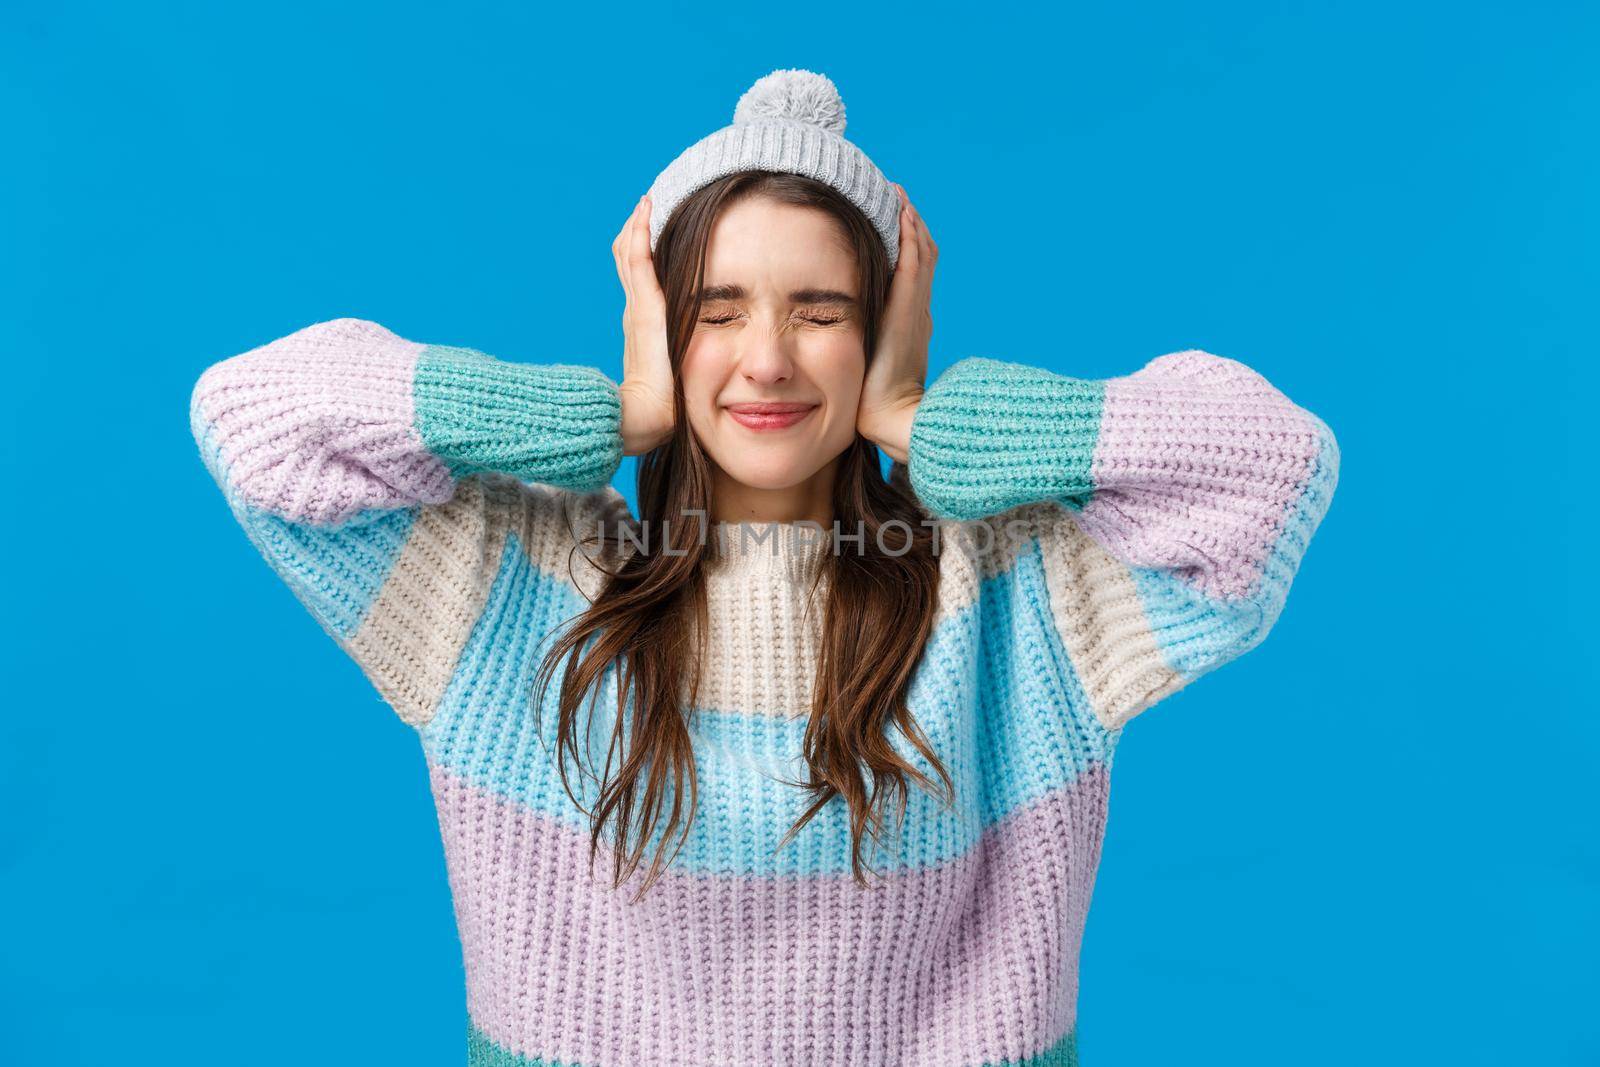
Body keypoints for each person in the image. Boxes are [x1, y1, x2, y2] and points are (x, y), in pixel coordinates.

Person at [189, 68, 1339, 1067]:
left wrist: (921, 422)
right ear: (659, 325)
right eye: (717, 309)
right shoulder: (518, 578)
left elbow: (1272, 470)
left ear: (883, 323)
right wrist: (608, 415)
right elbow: (252, 418)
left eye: (821, 310)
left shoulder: (1010, 591)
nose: (769, 360)